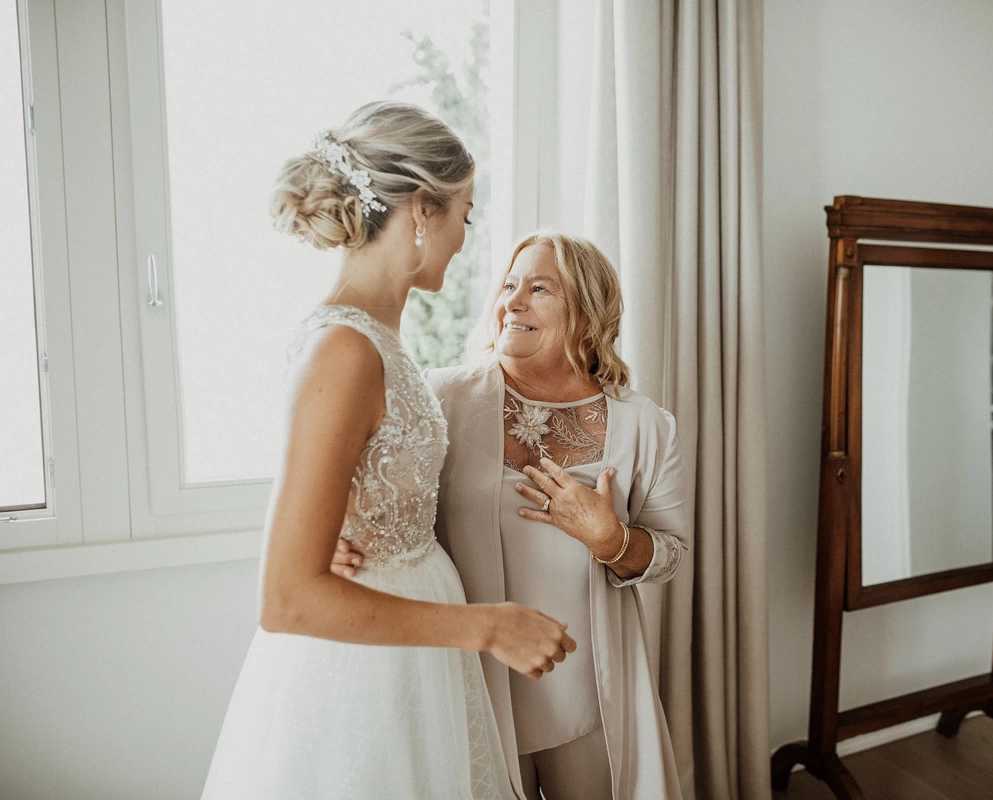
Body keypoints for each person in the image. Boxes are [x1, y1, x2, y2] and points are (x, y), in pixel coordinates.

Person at [202, 102, 575, 800]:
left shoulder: (379, 340)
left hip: (415, 648)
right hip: (362, 670)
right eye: (467, 210)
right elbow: (285, 598)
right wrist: (487, 627)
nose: (467, 235)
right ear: (423, 210)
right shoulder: (342, 349)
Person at [335, 231, 690, 799]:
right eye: (508, 284)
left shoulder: (645, 425)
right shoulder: (442, 397)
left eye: (540, 288)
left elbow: (672, 554)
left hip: (590, 690)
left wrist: (611, 538)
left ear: (587, 311)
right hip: (473, 678)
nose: (513, 301)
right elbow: (358, 483)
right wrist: (338, 531)